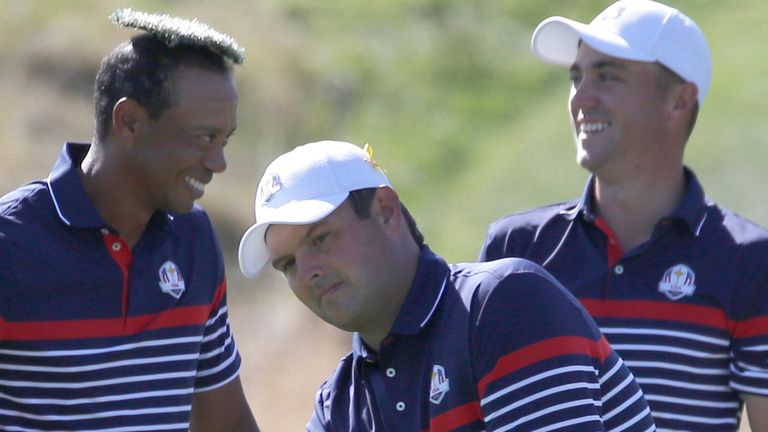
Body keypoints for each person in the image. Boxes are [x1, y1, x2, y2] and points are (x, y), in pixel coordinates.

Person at [478, 0, 768, 430]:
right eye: (576, 76)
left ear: (679, 101)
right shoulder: (516, 252)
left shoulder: (749, 262)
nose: (581, 97)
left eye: (607, 75)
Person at [237, 140, 655, 431]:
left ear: (385, 210)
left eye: (321, 238)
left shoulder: (504, 303)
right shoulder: (339, 405)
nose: (307, 271)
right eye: (287, 264)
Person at [0, 9, 259, 432]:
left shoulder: (194, 239)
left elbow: (226, 423)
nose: (218, 162)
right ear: (130, 122)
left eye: (225, 141)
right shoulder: (10, 245)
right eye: (204, 138)